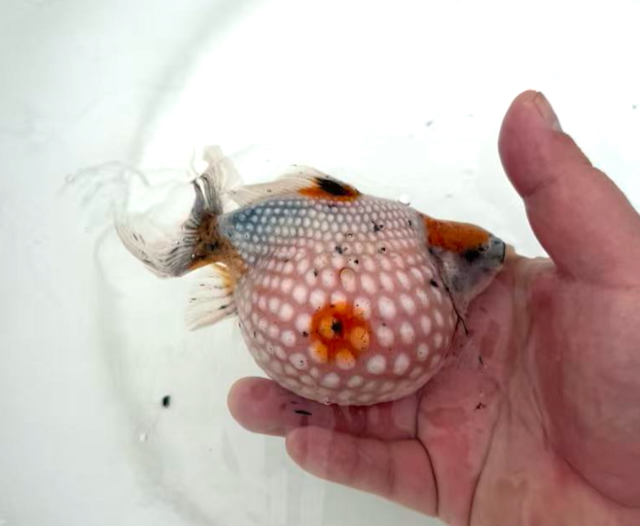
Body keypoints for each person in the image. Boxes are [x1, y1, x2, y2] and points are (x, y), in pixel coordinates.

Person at [227, 91, 640, 526]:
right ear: (444, 255)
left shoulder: (408, 279)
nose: (490, 269)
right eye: (474, 259)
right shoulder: (396, 260)